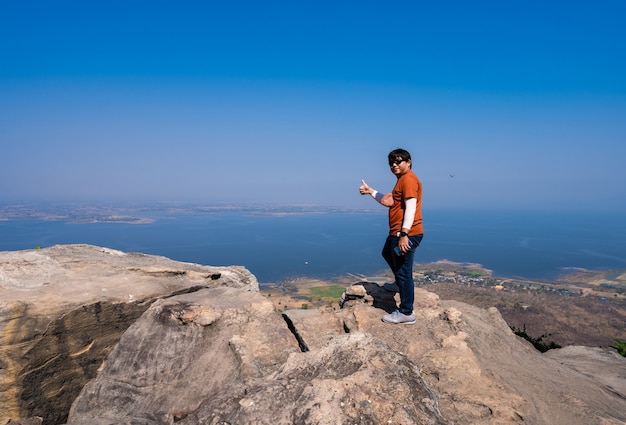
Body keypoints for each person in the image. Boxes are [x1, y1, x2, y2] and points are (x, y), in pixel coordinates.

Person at [359, 148, 424, 324]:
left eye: (399, 161)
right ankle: (398, 285)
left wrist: (404, 234)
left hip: (406, 233)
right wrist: (371, 191)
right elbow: (390, 201)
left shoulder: (409, 180)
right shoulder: (402, 180)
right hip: (398, 233)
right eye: (391, 163)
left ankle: (406, 312)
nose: (394, 165)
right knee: (387, 253)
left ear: (408, 162)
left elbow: (411, 208)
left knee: (404, 272)